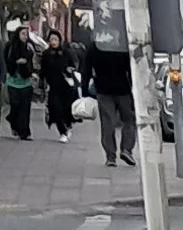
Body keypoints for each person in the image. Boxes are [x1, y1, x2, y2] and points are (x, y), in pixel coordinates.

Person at [87, 37, 137, 168]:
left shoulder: (95, 46)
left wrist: (84, 88)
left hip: (103, 89)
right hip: (123, 89)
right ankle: (126, 150)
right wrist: (134, 86)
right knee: (129, 120)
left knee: (108, 123)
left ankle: (111, 156)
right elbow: (131, 67)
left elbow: (86, 67)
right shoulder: (121, 44)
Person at [41, 30, 78, 142]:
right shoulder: (46, 54)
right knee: (55, 109)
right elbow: (43, 70)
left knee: (66, 109)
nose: (53, 42)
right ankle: (62, 131)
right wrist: (42, 83)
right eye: (51, 39)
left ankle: (68, 125)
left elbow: (74, 66)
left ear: (59, 41)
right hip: (53, 86)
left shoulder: (66, 53)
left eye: (55, 39)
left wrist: (70, 70)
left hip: (66, 86)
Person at [3, 21, 33, 140]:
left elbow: (32, 61)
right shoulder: (10, 47)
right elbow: (6, 61)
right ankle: (13, 122)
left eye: (26, 34)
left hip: (26, 81)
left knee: (25, 108)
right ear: (18, 34)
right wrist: (16, 62)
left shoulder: (29, 47)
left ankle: (25, 133)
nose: (25, 36)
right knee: (15, 105)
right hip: (13, 81)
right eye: (23, 34)